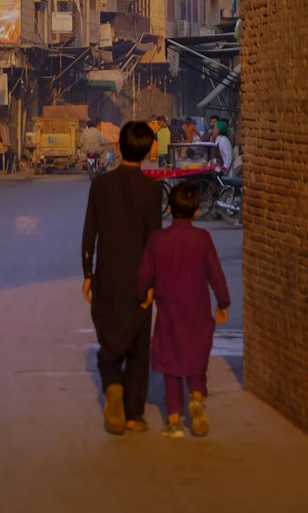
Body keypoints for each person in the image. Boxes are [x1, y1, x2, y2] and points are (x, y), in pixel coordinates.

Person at [81, 120, 163, 434]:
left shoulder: (100, 185)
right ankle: (133, 414)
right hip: (140, 276)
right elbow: (154, 238)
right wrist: (154, 281)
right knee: (139, 346)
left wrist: (88, 273)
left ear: (118, 147)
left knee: (110, 335)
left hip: (108, 273)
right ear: (145, 153)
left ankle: (112, 382)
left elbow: (90, 231)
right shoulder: (153, 189)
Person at [136, 179, 231, 438]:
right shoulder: (202, 238)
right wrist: (223, 303)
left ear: (170, 207)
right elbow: (216, 275)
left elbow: (144, 275)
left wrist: (142, 295)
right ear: (197, 211)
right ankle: (197, 398)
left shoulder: (158, 239)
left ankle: (175, 419)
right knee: (196, 359)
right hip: (198, 312)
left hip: (169, 313)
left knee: (171, 362)